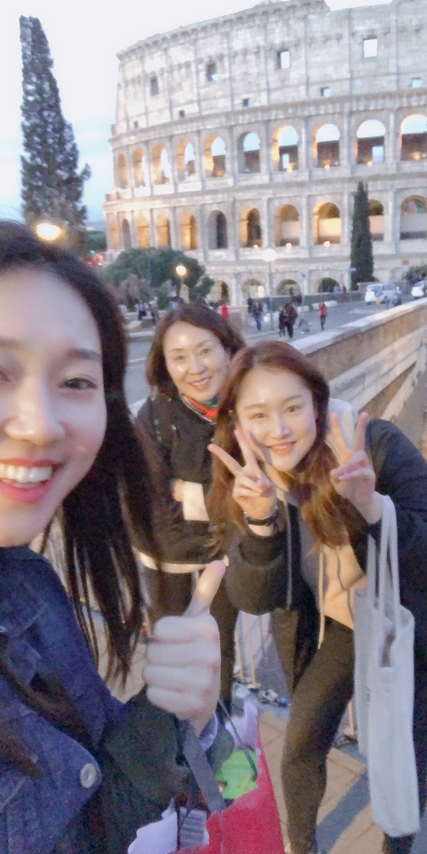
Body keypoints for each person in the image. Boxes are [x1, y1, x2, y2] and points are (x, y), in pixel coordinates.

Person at [0, 219, 227, 854]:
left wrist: (178, 712)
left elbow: (96, 817)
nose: (40, 424)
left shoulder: (29, 589)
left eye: (76, 381)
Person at [207, 341, 427, 854]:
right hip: (342, 622)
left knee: (403, 754)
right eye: (258, 414)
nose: (278, 429)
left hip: (410, 623)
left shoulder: (376, 446)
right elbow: (253, 598)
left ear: (317, 403)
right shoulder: (252, 480)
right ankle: (300, 847)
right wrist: (260, 523)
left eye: (292, 408)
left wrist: (372, 507)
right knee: (302, 738)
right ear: (237, 423)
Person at [135, 302, 245, 709]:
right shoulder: (155, 415)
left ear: (228, 350)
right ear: (165, 364)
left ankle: (218, 723)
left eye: (205, 350)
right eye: (179, 357)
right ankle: (177, 731)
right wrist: (219, 502)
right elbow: (152, 501)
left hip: (223, 554)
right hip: (168, 560)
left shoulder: (244, 410)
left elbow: (257, 488)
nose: (194, 368)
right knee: (173, 649)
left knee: (219, 647)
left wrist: (188, 492)